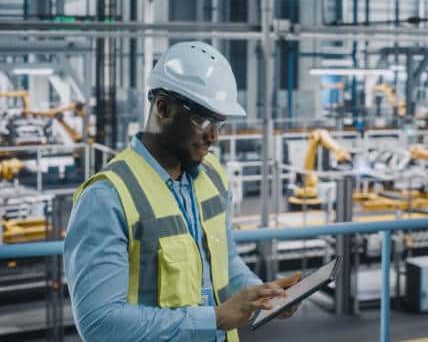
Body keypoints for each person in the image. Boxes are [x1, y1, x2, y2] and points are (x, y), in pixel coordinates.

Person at [64, 41, 301, 342]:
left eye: (219, 123)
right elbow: (99, 323)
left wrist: (261, 295)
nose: (214, 136)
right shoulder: (107, 197)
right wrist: (214, 318)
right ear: (163, 107)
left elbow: (224, 263)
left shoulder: (212, 176)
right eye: (203, 120)